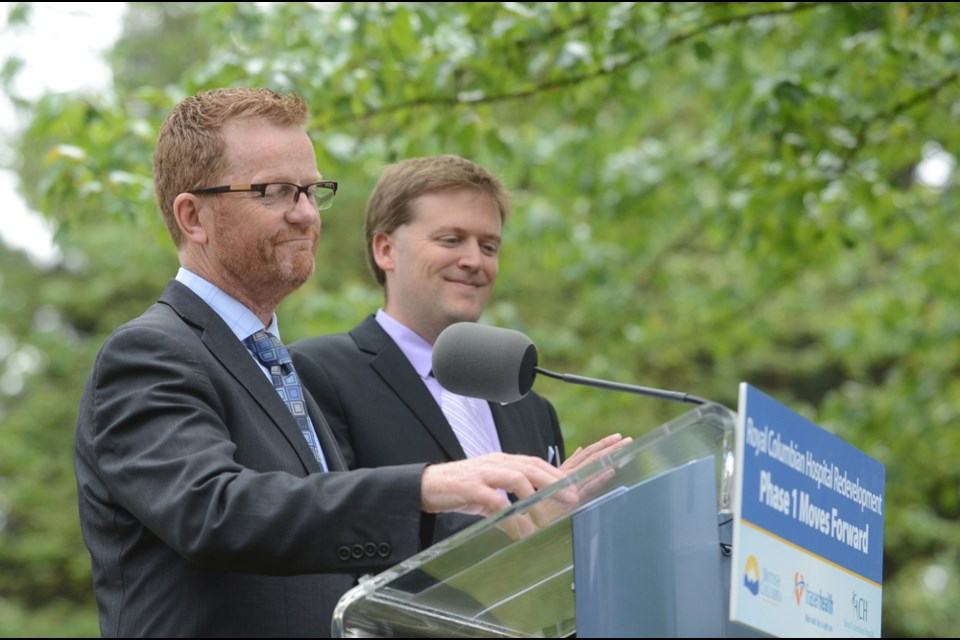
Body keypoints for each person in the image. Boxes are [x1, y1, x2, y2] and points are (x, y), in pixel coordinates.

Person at [73, 88, 570, 638]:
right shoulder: (150, 352)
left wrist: (527, 512)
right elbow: (216, 511)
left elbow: (329, 536)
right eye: (276, 191)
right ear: (193, 216)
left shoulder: (272, 364)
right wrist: (424, 483)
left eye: (312, 191)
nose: (306, 213)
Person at [290, 155, 628, 542]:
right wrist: (527, 525)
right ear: (385, 250)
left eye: (489, 246)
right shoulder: (318, 374)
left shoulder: (533, 410)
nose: (474, 261)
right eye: (451, 240)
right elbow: (335, 529)